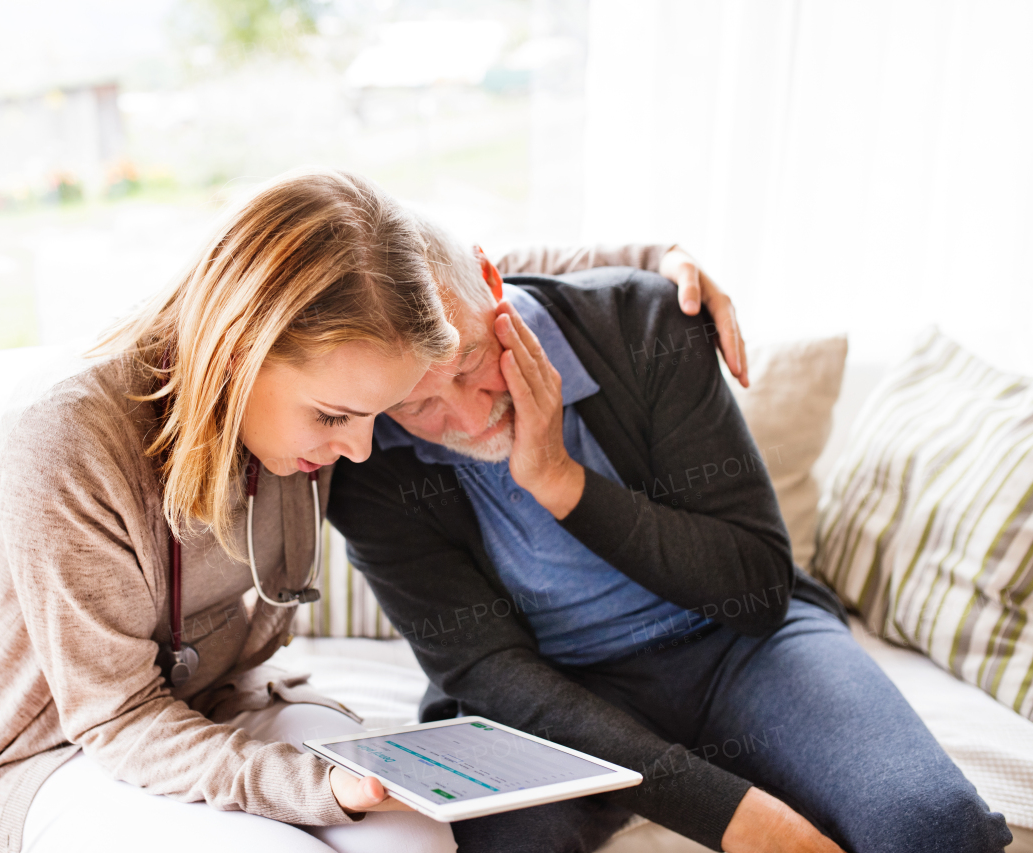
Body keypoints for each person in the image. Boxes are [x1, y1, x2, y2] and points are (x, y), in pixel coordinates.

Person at [326, 215, 1015, 853]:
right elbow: (490, 674)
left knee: (934, 826)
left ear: (490, 278)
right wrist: (737, 816)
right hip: (554, 689)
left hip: (744, 645)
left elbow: (757, 587)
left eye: (473, 360)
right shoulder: (365, 461)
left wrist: (562, 482)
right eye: (416, 402)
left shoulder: (642, 318)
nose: (467, 415)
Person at [0, 169, 463, 853]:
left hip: (221, 701)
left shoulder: (315, 397)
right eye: (334, 415)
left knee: (415, 840)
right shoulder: (62, 436)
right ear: (237, 352)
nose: (359, 450)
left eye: (375, 415)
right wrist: (310, 786)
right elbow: (118, 718)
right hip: (56, 751)